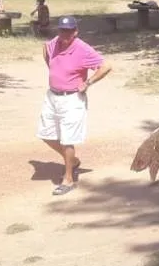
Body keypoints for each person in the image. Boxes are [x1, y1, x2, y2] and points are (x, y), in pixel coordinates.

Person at [37, 16, 113, 196]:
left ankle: (68, 179)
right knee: (45, 134)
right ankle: (73, 161)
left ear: (75, 32)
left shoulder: (83, 49)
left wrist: (88, 82)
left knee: (67, 139)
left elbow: (106, 66)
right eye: (62, 30)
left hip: (72, 99)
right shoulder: (55, 42)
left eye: (68, 31)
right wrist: (53, 68)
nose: (64, 34)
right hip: (52, 95)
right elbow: (45, 48)